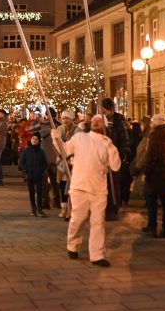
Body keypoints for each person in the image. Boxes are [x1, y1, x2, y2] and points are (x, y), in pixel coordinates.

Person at [58, 114, 121, 266]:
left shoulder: (107, 143)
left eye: (100, 121)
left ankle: (97, 255)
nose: (96, 122)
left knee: (98, 222)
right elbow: (65, 151)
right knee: (77, 220)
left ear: (105, 125)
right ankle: (72, 245)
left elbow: (115, 166)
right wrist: (56, 139)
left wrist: (111, 147)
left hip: (98, 190)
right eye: (94, 121)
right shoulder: (80, 138)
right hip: (79, 187)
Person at [142, 114, 165, 238]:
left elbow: (151, 156)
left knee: (152, 202)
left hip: (155, 173)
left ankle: (152, 227)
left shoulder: (154, 135)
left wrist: (146, 171)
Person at [101, 98, 129, 220]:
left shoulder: (118, 120)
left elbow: (124, 139)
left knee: (113, 183)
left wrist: (122, 154)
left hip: (114, 155)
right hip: (101, 157)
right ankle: (104, 208)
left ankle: (113, 208)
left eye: (105, 110)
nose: (103, 112)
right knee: (103, 184)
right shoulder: (100, 120)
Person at [19, 133, 48, 217]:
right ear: (30, 140)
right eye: (33, 139)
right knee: (31, 192)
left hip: (39, 175)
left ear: (39, 141)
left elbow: (44, 163)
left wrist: (41, 171)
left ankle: (39, 208)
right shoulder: (27, 150)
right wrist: (26, 171)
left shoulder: (41, 151)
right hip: (30, 175)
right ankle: (33, 208)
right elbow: (22, 162)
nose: (34, 140)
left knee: (39, 192)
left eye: (36, 139)